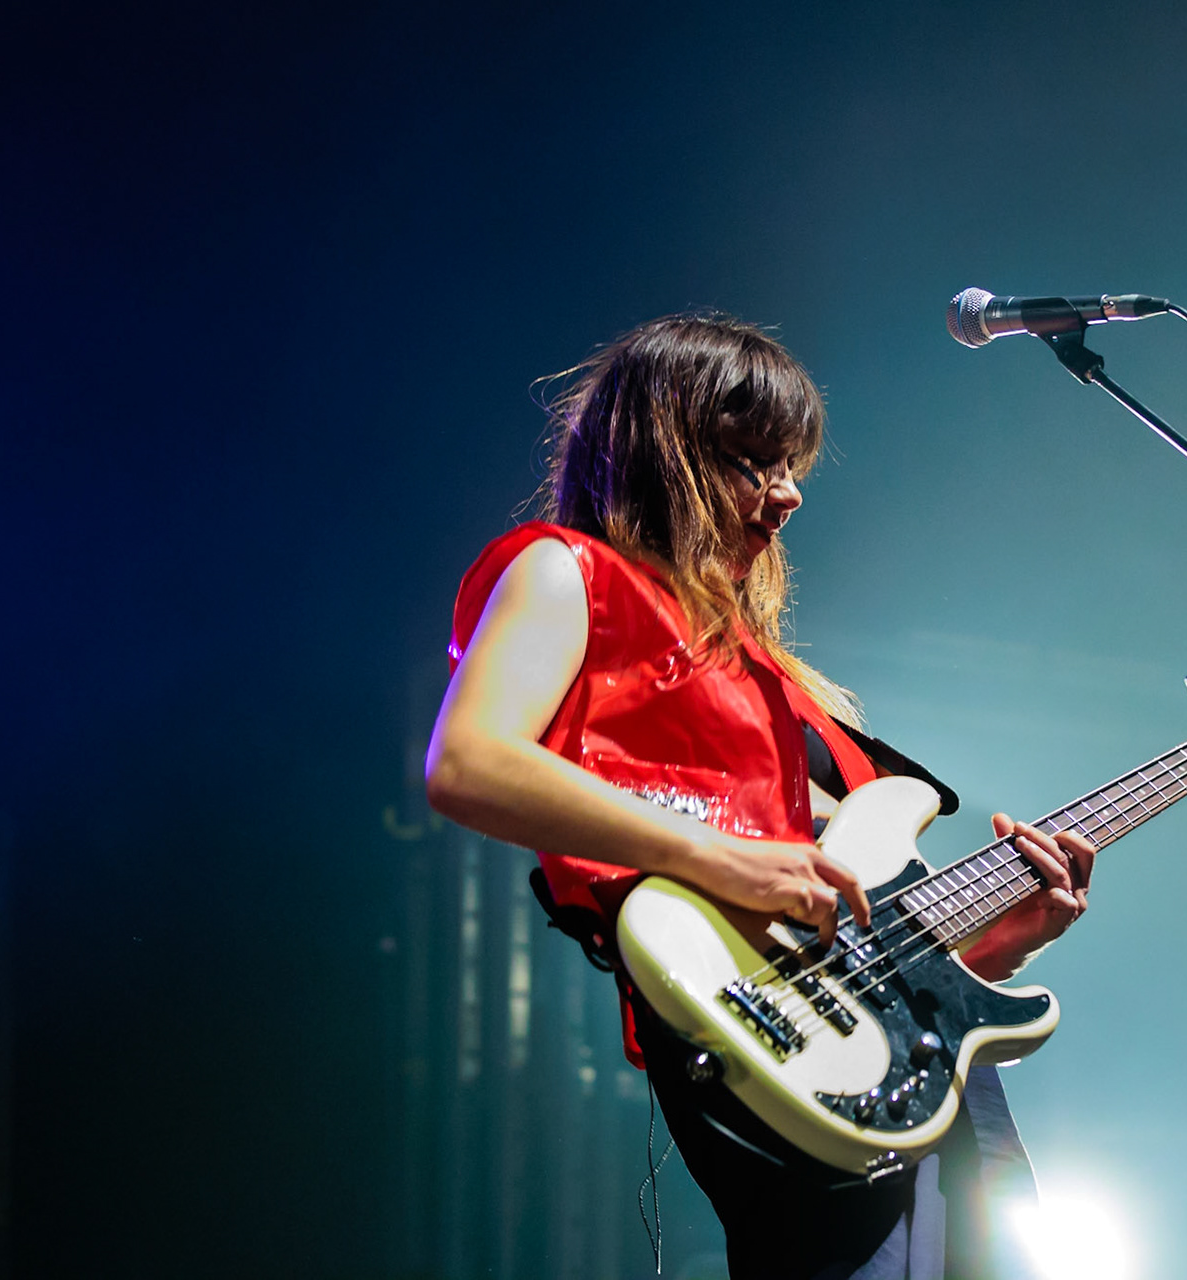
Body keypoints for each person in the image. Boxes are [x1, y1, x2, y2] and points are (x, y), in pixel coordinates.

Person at [425, 314, 1097, 1279]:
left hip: (903, 1051)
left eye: (793, 470)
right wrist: (718, 855)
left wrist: (995, 944)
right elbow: (469, 762)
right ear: (668, 454)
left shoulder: (771, 679)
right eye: (755, 463)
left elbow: (850, 923)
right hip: (751, 1029)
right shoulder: (567, 572)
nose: (786, 496)